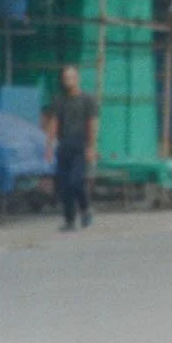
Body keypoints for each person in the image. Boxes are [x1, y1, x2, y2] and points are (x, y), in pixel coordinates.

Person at [43, 64, 97, 231]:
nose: (69, 81)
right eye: (66, 78)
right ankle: (69, 221)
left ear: (78, 79)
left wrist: (91, 147)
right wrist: (49, 147)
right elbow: (53, 124)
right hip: (64, 145)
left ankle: (85, 208)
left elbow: (92, 124)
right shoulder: (59, 100)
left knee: (76, 181)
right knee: (65, 186)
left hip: (80, 145)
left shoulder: (87, 100)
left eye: (71, 78)